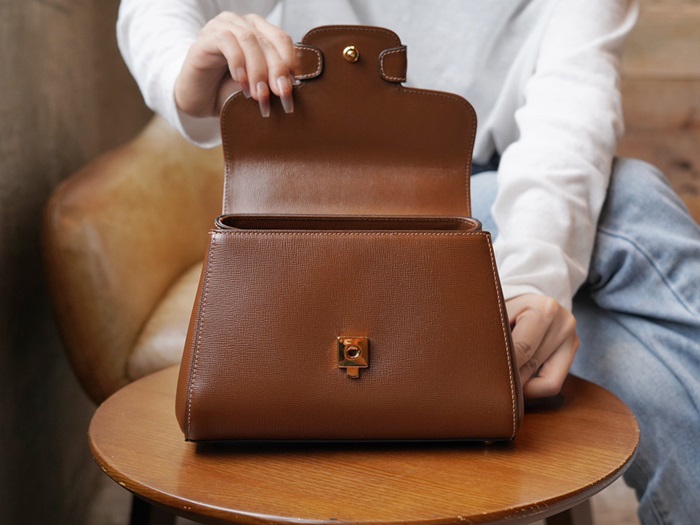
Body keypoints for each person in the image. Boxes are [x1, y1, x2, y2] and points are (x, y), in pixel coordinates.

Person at [117, 1, 700, 523]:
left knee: (629, 316)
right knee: (632, 202)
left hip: (487, 193)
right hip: (308, 192)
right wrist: (184, 75)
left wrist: (530, 278)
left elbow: (570, 120)